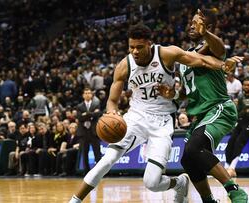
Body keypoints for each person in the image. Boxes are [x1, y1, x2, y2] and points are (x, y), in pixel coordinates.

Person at [69, 23, 228, 203]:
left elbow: (201, 60)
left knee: (151, 182)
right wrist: (112, 113)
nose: (135, 51)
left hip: (163, 120)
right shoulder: (124, 65)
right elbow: (112, 101)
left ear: (149, 44)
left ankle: (179, 182)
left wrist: (223, 65)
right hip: (136, 116)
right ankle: (75, 200)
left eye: (139, 47)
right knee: (107, 160)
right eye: (131, 47)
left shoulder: (167, 54)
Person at [157, 9, 249, 203]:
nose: (192, 25)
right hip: (201, 115)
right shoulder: (186, 57)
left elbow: (221, 50)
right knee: (188, 159)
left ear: (208, 27)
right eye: (191, 22)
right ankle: (208, 200)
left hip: (219, 108)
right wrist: (172, 94)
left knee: (194, 149)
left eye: (197, 22)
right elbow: (185, 91)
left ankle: (237, 193)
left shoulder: (208, 46)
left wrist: (206, 34)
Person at [225, 78, 249, 177]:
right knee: (230, 142)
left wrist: (244, 111)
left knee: (239, 142)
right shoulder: (241, 96)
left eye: (248, 85)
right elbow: (238, 112)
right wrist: (246, 110)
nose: (246, 87)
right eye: (245, 85)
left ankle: (232, 168)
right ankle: (227, 166)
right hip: (242, 121)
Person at [76, 88, 102, 174]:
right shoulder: (79, 106)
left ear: (91, 95)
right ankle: (86, 171)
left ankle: (99, 171)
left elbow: (98, 114)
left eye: (89, 93)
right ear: (83, 95)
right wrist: (91, 114)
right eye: (85, 93)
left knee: (97, 153)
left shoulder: (96, 104)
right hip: (83, 133)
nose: (87, 94)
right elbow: (79, 117)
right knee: (85, 153)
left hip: (94, 132)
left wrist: (86, 114)